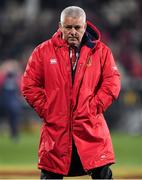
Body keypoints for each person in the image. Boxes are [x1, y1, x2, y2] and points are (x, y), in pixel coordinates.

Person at [21, 6, 121, 179]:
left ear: (85, 26)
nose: (73, 32)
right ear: (60, 26)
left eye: (77, 27)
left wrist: (94, 107)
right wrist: (48, 109)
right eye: (68, 27)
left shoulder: (101, 52)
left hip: (90, 127)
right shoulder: (42, 52)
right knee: (51, 174)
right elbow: (29, 85)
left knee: (102, 174)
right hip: (56, 130)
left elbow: (112, 83)